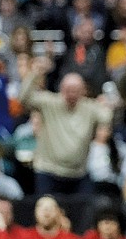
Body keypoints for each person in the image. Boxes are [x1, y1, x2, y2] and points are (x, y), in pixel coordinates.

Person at [19, 64, 111, 195]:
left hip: (79, 174)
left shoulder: (90, 107)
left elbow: (108, 118)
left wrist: (108, 104)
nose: (71, 94)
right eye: (68, 90)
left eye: (75, 90)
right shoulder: (49, 102)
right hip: (48, 171)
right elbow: (24, 99)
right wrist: (34, 75)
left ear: (83, 91)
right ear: (61, 89)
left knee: (85, 211)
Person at [14, 195, 79, 239]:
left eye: (50, 209)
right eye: (42, 208)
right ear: (35, 213)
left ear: (58, 213)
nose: (46, 213)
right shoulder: (23, 238)